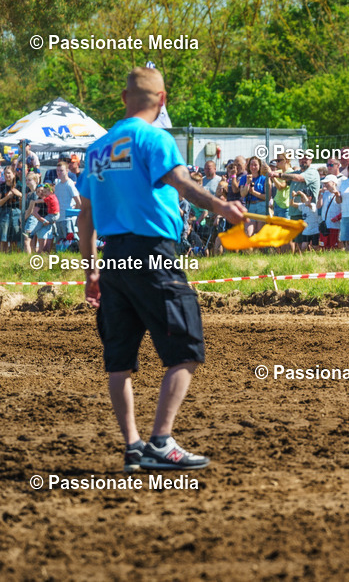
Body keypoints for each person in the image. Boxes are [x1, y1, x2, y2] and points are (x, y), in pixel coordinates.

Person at [77, 66, 245, 472]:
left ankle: (133, 447)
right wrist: (222, 206)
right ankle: (161, 441)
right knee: (187, 347)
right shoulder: (155, 139)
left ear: (124, 98)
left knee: (119, 359)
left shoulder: (96, 148)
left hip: (113, 259)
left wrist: (91, 271)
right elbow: (184, 184)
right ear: (162, 99)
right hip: (152, 255)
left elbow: (85, 217)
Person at [53, 161, 81, 244]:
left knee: (70, 243)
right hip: (58, 218)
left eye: (61, 170)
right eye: (57, 170)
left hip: (68, 219)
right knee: (60, 243)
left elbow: (78, 202)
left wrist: (72, 213)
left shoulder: (69, 184)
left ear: (67, 171)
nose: (59, 173)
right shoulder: (57, 185)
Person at [0, 164, 22, 252]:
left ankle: (14, 255)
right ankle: (3, 255)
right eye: (5, 173)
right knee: (3, 237)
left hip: (16, 212)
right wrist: (7, 197)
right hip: (4, 212)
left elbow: (25, 200)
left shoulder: (19, 186)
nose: (7, 175)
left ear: (14, 174)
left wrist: (19, 194)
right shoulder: (1, 187)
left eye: (9, 173)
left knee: (15, 236)